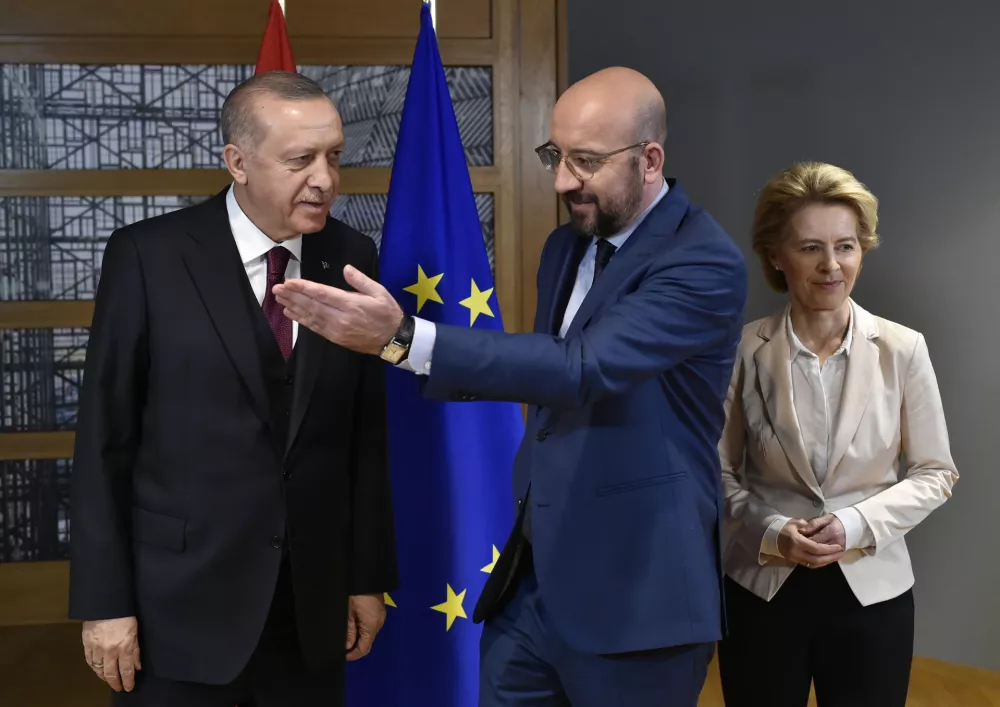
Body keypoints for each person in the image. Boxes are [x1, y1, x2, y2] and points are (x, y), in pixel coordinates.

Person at [273, 66, 748, 707]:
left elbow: (581, 368)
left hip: (638, 594)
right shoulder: (568, 244)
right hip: (532, 586)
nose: (560, 181)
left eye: (584, 161)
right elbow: (546, 381)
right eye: (555, 156)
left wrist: (407, 339)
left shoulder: (703, 261)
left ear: (650, 160)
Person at [68, 71, 398, 707]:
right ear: (237, 162)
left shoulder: (353, 255)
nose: (325, 179)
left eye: (334, 156)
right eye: (301, 160)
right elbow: (105, 440)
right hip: (178, 612)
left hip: (311, 609)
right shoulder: (148, 256)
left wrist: (365, 578)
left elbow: (365, 433)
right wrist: (105, 604)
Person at [716, 162, 959, 707]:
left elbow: (936, 473)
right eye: (809, 248)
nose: (831, 265)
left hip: (873, 594)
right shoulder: (741, 351)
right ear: (776, 256)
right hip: (761, 588)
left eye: (846, 246)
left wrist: (854, 525)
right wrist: (773, 529)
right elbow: (716, 474)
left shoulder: (903, 349)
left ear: (862, 249)